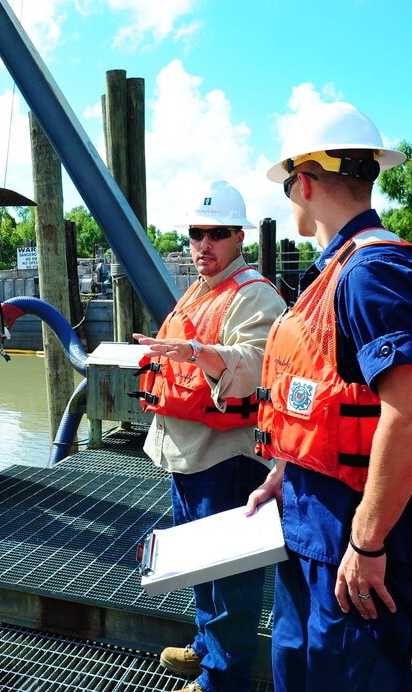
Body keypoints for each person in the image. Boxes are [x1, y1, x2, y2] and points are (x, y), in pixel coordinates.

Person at [246, 101, 412, 690]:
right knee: (303, 667)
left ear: (303, 184)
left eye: (288, 188)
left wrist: (366, 539)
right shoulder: (338, 270)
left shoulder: (373, 272)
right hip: (315, 517)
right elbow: (326, 397)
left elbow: (409, 418)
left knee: (352, 676)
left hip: (353, 534)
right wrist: (287, 470)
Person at [132, 180, 286, 692]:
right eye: (197, 234)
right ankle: (205, 646)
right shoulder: (202, 289)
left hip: (229, 460)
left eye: (216, 233)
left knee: (233, 577)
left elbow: (262, 363)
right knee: (202, 562)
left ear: (239, 236)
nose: (204, 245)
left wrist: (197, 353)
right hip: (188, 452)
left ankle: (223, 678)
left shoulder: (255, 294)